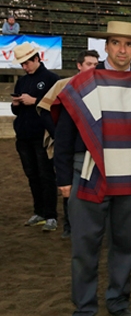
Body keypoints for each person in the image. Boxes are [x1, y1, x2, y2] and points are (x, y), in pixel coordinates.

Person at [53, 21, 131, 316]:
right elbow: (64, 133)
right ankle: (84, 310)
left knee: (125, 245)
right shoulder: (84, 82)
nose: (122, 49)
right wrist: (63, 178)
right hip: (87, 173)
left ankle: (118, 302)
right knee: (85, 246)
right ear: (106, 46)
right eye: (116, 43)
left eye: (128, 44)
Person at [36, 49, 100, 239]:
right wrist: (60, 136)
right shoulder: (64, 85)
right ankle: (69, 226)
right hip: (69, 146)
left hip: (91, 147)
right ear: (79, 65)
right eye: (89, 64)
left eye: (96, 65)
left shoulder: (101, 86)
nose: (93, 68)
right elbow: (45, 110)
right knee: (69, 185)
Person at [11, 42, 60, 231]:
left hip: (42, 135)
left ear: (37, 58)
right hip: (23, 135)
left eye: (27, 63)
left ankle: (50, 215)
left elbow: (56, 106)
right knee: (32, 175)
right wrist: (16, 104)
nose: (24, 67)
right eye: (22, 64)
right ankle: (39, 211)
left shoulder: (51, 79)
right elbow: (16, 112)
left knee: (46, 174)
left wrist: (35, 101)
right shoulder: (22, 81)